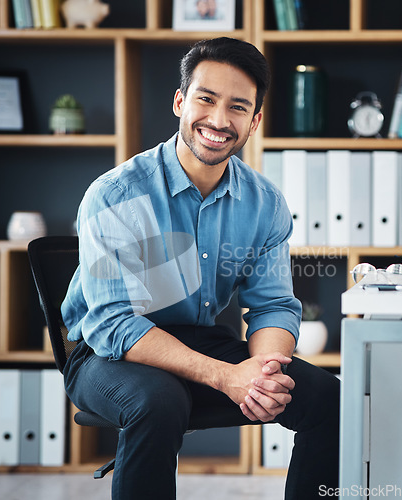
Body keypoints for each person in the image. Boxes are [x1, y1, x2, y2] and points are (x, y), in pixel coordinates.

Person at [61, 37, 339, 499]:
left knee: (327, 398)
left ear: (255, 122)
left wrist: (263, 368)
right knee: (158, 402)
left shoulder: (264, 203)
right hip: (105, 353)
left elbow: (271, 305)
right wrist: (227, 376)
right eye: (205, 99)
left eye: (237, 107)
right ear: (180, 102)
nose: (218, 119)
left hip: (197, 341)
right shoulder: (114, 194)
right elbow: (112, 323)